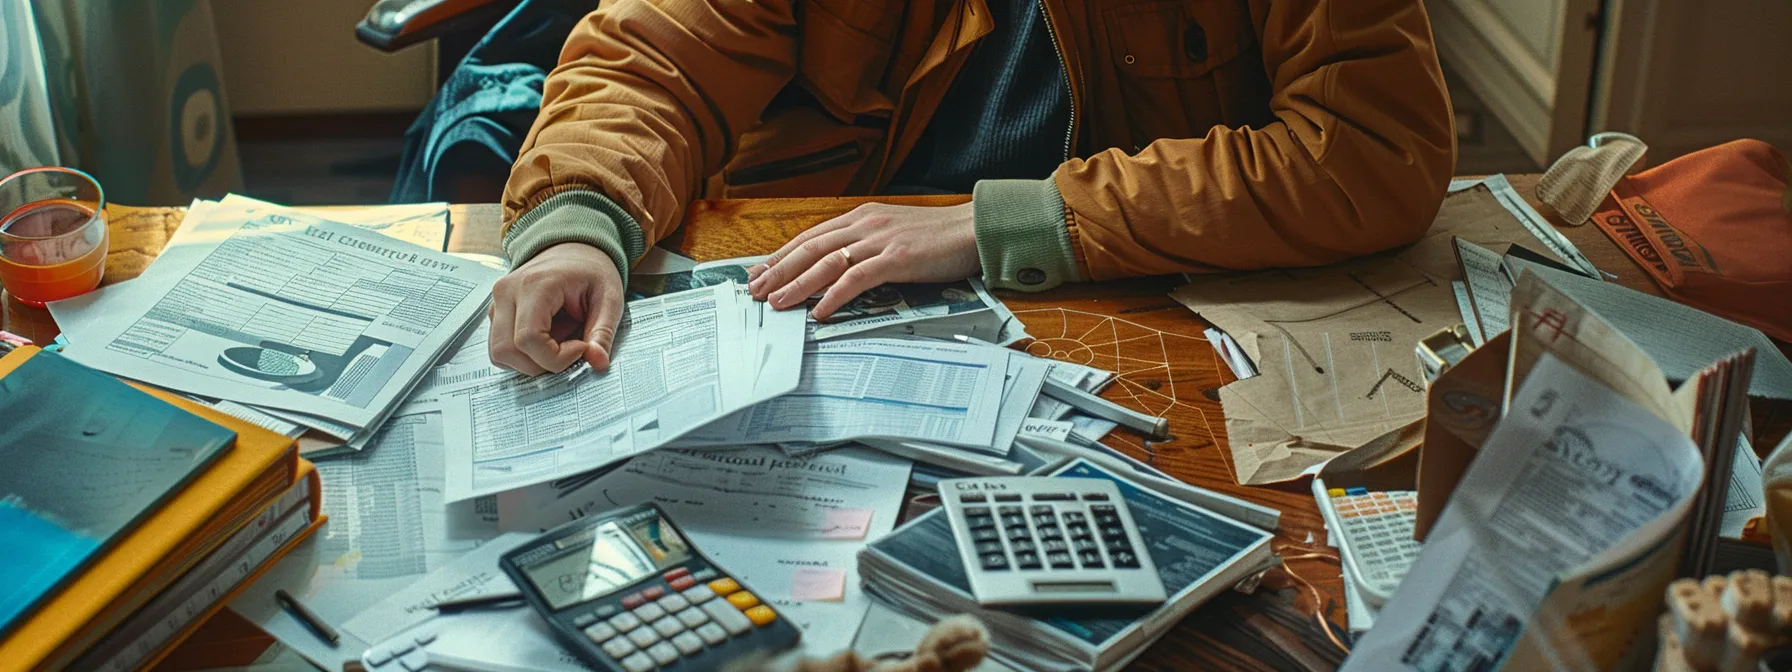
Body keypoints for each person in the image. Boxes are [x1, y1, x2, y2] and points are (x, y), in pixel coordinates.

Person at [486, 0, 1456, 375]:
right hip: (815, 301)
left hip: (1117, 299)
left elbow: (1371, 147)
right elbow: (653, 60)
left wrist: (1003, 223)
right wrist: (579, 223)